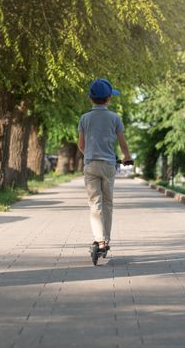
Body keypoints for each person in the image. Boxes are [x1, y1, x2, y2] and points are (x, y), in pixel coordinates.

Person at [78, 78, 132, 252]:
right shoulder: (115, 118)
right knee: (108, 203)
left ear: (90, 98)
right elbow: (123, 144)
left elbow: (81, 144)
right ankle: (105, 241)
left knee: (95, 203)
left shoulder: (84, 118)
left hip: (90, 164)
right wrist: (127, 157)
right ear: (109, 98)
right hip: (109, 165)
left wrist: (89, 155)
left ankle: (99, 239)